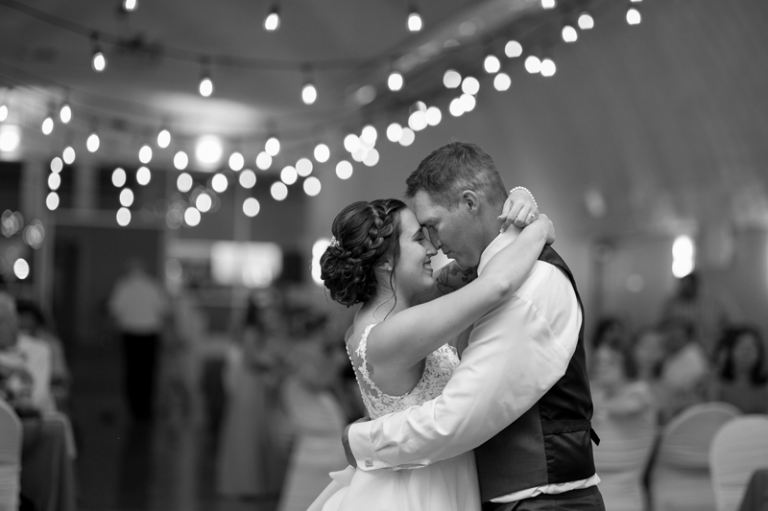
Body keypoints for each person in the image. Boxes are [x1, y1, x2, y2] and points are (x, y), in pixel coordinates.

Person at [341, 142, 602, 511]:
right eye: (420, 236)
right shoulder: (477, 282)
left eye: (431, 226)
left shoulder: (529, 284)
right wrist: (536, 224)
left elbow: (458, 417)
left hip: (541, 503)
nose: (435, 245)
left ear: (469, 203)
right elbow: (488, 282)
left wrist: (362, 440)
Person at [307, 186, 551, 511]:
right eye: (418, 239)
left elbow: (477, 264)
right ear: (384, 262)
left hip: (434, 477)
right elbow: (497, 284)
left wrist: (520, 197)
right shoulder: (391, 333)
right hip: (420, 493)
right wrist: (542, 227)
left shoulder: (395, 318)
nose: (432, 248)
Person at [590, 343, 657, 511]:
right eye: (598, 361)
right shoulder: (597, 393)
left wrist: (598, 407)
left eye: (610, 362)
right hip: (591, 490)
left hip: (625, 497)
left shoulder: (639, 391)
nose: (601, 367)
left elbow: (631, 406)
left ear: (626, 365)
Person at [108, 258, 170, 422]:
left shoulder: (123, 285)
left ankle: (134, 407)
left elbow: (114, 310)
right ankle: (145, 407)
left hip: (130, 334)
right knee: (148, 371)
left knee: (132, 370)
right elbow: (163, 310)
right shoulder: (153, 285)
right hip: (149, 334)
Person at [709, 325, 768, 414]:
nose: (746, 353)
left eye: (752, 348)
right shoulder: (717, 383)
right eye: (741, 347)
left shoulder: (764, 386)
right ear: (729, 350)